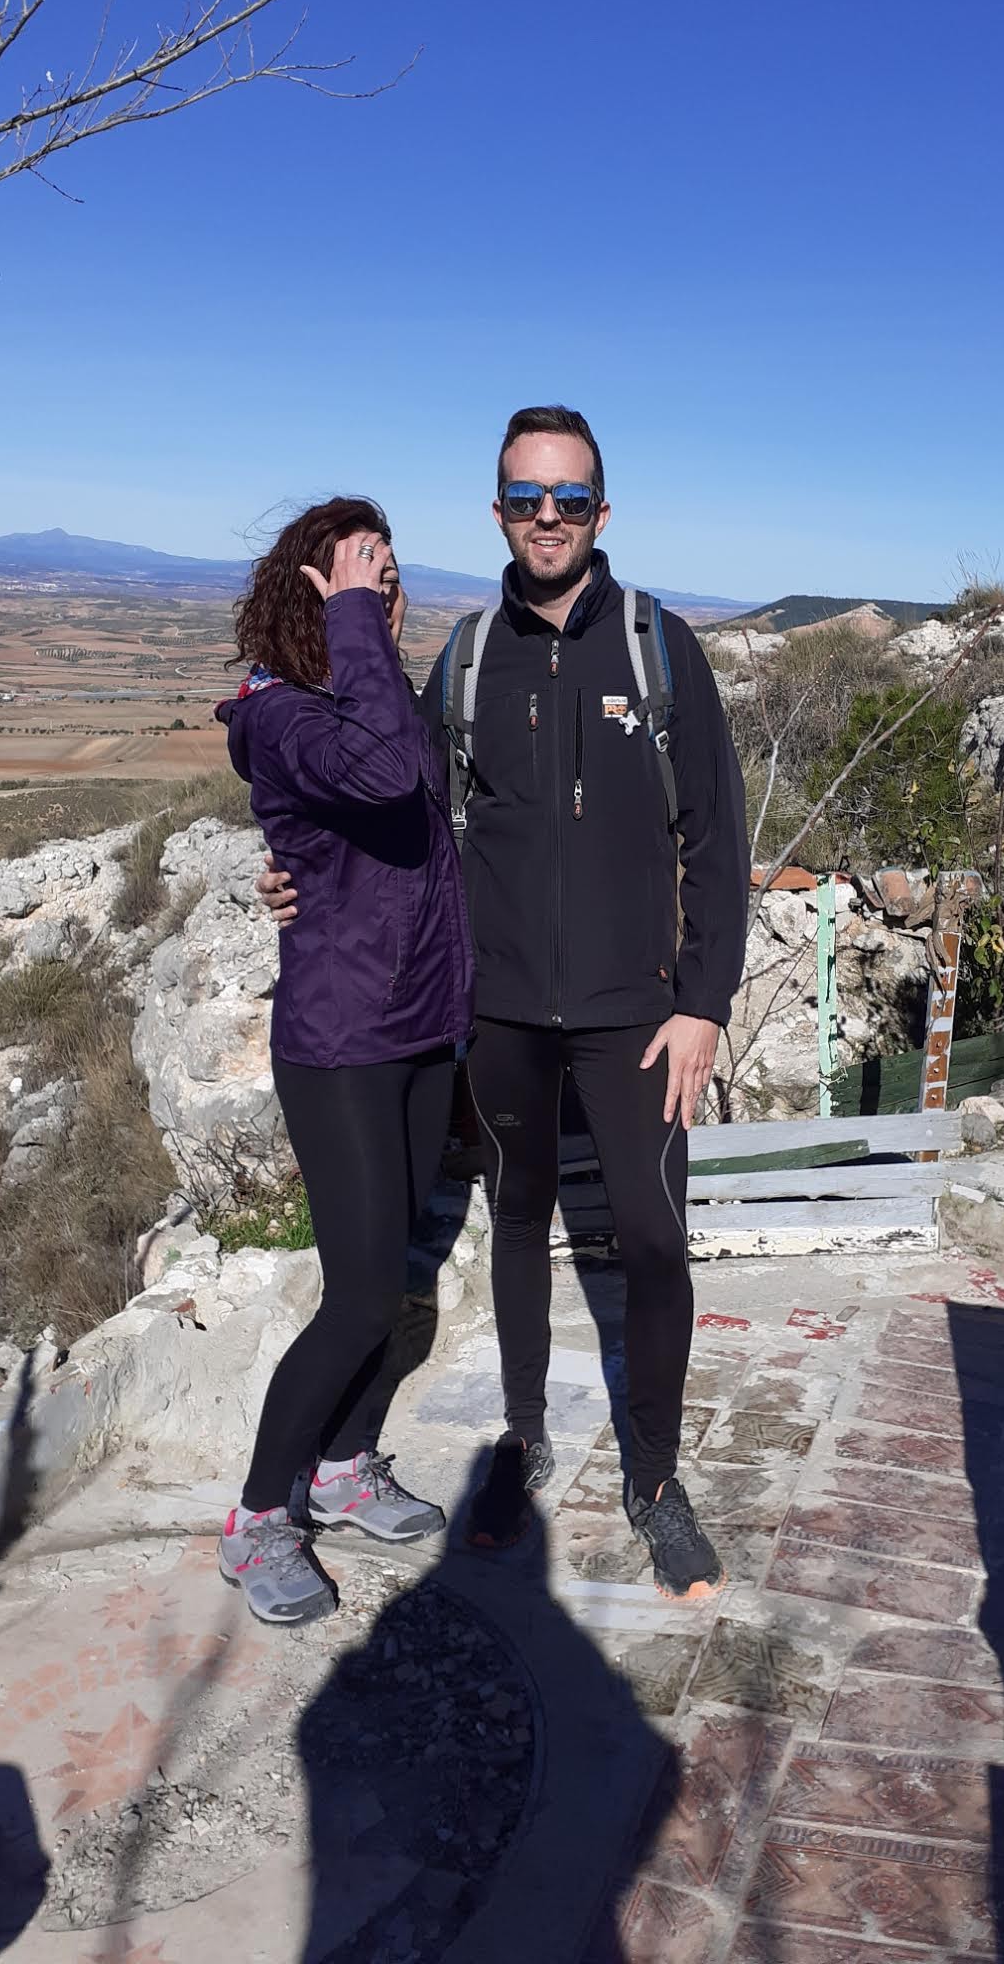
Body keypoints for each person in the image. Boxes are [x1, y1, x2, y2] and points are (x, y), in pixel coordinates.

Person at [259, 408, 749, 1601]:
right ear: (497, 512)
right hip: (499, 1011)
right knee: (520, 1219)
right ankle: (522, 1443)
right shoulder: (470, 656)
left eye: (569, 497)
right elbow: (401, 808)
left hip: (638, 1015)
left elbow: (718, 835)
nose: (548, 516)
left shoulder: (660, 646)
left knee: (651, 1238)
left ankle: (654, 1481)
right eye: (527, 497)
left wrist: (703, 1001)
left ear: (601, 511)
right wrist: (293, 870)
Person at [215, 497, 474, 1625]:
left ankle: (342, 1466)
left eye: (392, 577)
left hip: (418, 1026)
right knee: (360, 1293)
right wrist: (357, 619)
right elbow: (375, 779)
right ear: (310, 596)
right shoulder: (279, 714)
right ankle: (257, 1516)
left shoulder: (372, 696)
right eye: (363, 577)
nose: (387, 594)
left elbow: (422, 816)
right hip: (341, 1040)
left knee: (395, 1273)